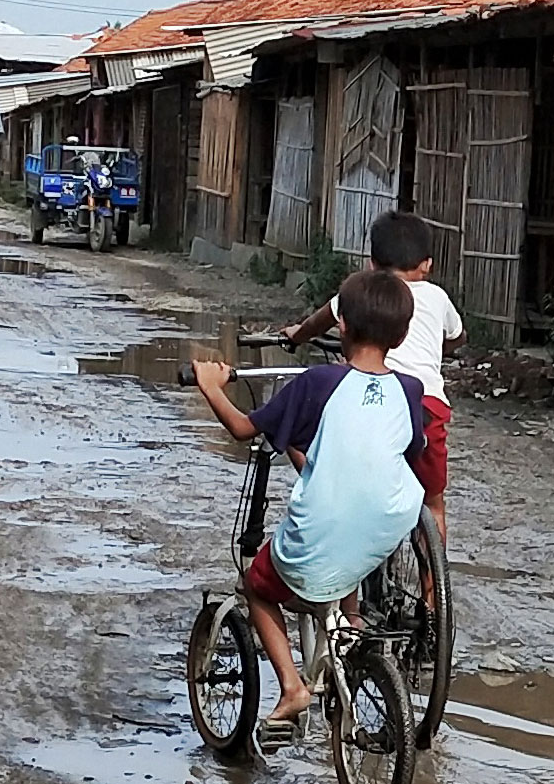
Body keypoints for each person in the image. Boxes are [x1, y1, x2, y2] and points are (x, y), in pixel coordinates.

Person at [194, 269, 429, 737]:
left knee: (258, 586)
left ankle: (292, 687)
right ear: (401, 336)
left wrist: (210, 386)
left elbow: (244, 429)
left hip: (331, 525)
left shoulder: (317, 383)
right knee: (355, 543)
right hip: (392, 520)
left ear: (340, 326)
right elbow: (398, 451)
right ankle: (351, 625)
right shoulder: (410, 390)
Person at [283, 208, 464, 545]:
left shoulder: (359, 292)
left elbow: (315, 324)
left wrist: (295, 336)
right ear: (427, 264)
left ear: (371, 263)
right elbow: (457, 337)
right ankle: (433, 594)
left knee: (306, 434)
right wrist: (438, 347)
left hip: (373, 400)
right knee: (433, 503)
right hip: (427, 407)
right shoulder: (438, 297)